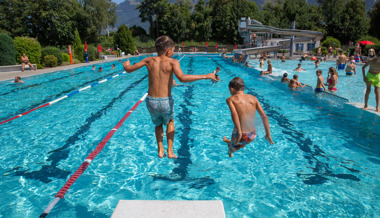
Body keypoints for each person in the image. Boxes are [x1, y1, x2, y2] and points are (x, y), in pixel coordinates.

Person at [123, 36, 216, 158]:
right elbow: (182, 78)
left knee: (158, 125)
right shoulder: (173, 62)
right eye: (173, 49)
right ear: (168, 50)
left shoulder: (148, 60)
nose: (174, 52)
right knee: (170, 122)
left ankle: (160, 150)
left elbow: (129, 69)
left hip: (151, 101)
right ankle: (170, 151)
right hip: (166, 101)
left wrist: (126, 65)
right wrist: (206, 76)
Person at [222, 77, 274, 157]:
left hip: (240, 134)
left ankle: (230, 149)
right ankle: (230, 142)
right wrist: (268, 134)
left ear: (232, 89)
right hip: (252, 134)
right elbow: (264, 116)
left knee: (232, 149)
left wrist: (239, 132)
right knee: (241, 144)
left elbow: (234, 114)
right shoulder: (253, 98)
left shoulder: (231, 99)